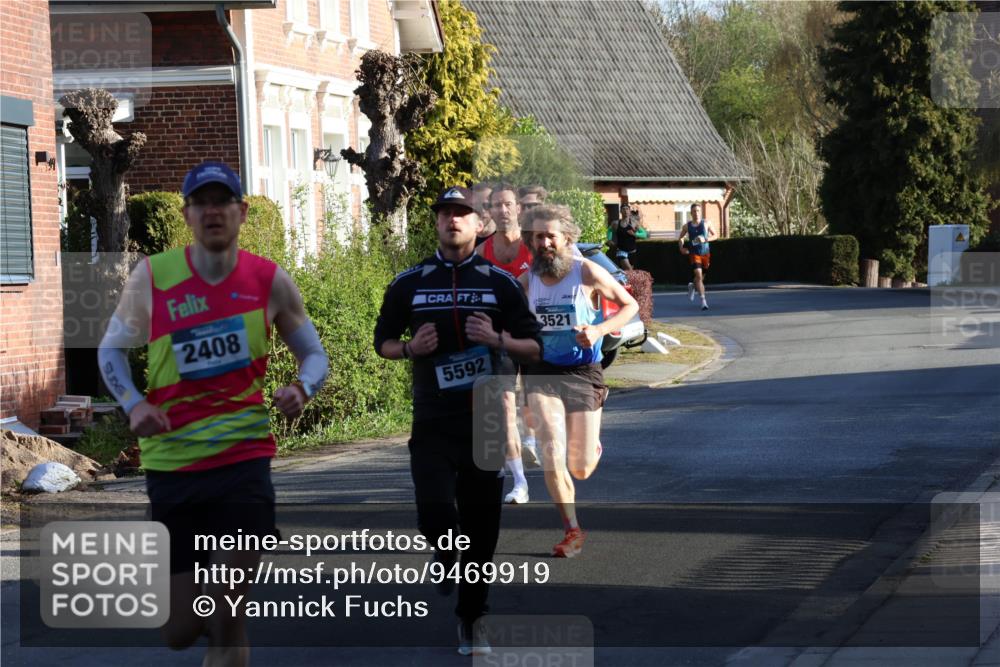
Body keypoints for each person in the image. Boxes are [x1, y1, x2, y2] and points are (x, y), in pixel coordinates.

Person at [98, 162, 329, 667]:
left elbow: (314, 354)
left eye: (222, 201)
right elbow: (109, 351)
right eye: (201, 203)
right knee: (181, 631)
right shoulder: (153, 277)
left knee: (227, 613)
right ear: (186, 215)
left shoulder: (268, 280)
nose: (212, 211)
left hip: (243, 462)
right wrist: (133, 403)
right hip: (173, 466)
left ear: (241, 212)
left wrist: (302, 387)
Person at [374, 185, 542, 655]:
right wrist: (409, 348)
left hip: (486, 413)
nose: (453, 220)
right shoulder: (409, 282)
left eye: (462, 213)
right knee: (433, 510)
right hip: (431, 415)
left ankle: (473, 618)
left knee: (483, 524)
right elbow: (382, 341)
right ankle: (446, 553)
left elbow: (534, 347)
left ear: (478, 223)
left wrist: (497, 338)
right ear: (437, 223)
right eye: (446, 213)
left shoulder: (499, 283)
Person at [518, 204, 639, 558]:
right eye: (537, 237)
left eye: (550, 236)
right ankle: (572, 531)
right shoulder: (529, 280)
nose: (544, 243)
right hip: (542, 372)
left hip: (583, 373)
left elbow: (630, 306)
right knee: (551, 453)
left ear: (567, 238)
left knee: (581, 467)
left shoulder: (587, 273)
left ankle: (590, 447)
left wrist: (599, 328)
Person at [476, 183, 538, 504]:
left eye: (507, 205)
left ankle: (535, 439)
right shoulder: (480, 252)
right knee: (503, 409)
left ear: (518, 209)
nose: (502, 210)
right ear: (490, 212)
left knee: (537, 399)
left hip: (534, 334)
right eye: (496, 205)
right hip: (499, 338)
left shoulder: (535, 247)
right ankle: (520, 483)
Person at [678, 203, 716, 311]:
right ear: (691, 213)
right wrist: (681, 248)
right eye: (694, 211)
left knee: (701, 277)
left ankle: (692, 286)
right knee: (699, 275)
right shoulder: (687, 226)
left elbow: (716, 235)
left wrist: (706, 239)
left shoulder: (706, 223)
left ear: (701, 212)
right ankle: (703, 301)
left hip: (705, 253)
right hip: (694, 254)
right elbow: (680, 238)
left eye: (698, 211)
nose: (696, 213)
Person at [615, 203, 640, 271]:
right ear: (620, 211)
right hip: (621, 251)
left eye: (627, 209)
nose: (625, 211)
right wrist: (609, 239)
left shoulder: (634, 223)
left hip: (632, 251)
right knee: (629, 270)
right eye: (623, 209)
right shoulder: (616, 223)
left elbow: (644, 234)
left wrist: (634, 234)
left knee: (627, 272)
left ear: (629, 211)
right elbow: (609, 231)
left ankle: (624, 281)